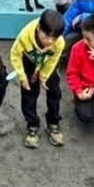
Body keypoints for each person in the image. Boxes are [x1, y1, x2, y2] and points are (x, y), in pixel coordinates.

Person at [12, 10, 67, 149]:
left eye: (54, 38)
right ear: (38, 28)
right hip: (29, 62)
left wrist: (44, 76)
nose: (50, 41)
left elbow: (54, 59)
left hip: (48, 64)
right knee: (29, 94)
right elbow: (15, 55)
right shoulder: (25, 35)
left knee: (55, 92)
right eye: (46, 36)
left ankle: (53, 123)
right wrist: (22, 76)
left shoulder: (59, 43)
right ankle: (32, 125)